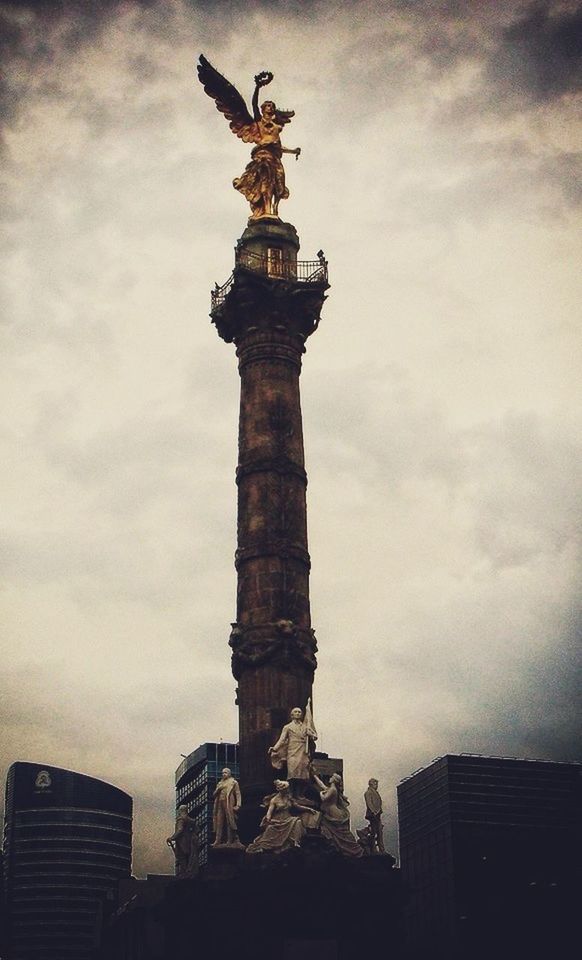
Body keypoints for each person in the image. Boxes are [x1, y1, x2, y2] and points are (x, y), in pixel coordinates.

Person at [246, 780, 309, 854]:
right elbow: (268, 814)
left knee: (298, 822)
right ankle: (272, 845)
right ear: (282, 790)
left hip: (288, 819)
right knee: (270, 828)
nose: (288, 790)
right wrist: (272, 820)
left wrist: (309, 809)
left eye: (288, 789)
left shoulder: (288, 797)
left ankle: (294, 842)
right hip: (278, 820)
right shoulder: (274, 800)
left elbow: (297, 806)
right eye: (286, 789)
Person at [311, 769, 363, 858]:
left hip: (334, 814)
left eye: (332, 777)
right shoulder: (331, 788)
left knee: (341, 833)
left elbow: (323, 798)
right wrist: (314, 776)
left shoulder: (333, 789)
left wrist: (320, 793)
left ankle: (354, 849)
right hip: (330, 812)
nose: (330, 778)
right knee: (334, 831)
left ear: (334, 780)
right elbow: (322, 785)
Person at [268, 702, 317, 789]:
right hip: (293, 752)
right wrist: (275, 748)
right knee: (293, 773)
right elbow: (282, 739)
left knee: (303, 775)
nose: (298, 713)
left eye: (299, 712)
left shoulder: (305, 727)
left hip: (303, 752)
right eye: (296, 712)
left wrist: (312, 735)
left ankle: (299, 795)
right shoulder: (287, 727)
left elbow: (314, 736)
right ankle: (291, 794)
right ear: (292, 715)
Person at [212, 767, 243, 848]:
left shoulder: (234, 782)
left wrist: (238, 805)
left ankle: (230, 840)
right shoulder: (220, 783)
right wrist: (218, 789)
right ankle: (217, 840)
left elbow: (238, 793)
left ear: (229, 773)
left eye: (225, 773)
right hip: (220, 804)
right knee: (219, 822)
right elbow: (214, 795)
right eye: (222, 773)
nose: (223, 774)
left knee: (230, 821)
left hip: (229, 803)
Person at [166, 805, 199, 878]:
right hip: (191, 844)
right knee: (189, 859)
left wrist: (172, 838)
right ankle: (189, 873)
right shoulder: (192, 820)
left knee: (182, 859)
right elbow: (197, 830)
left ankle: (184, 874)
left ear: (180, 811)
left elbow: (180, 830)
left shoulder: (181, 819)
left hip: (182, 843)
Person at [364, 777, 385, 854]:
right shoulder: (368, 792)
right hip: (373, 815)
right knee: (374, 832)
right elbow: (369, 803)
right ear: (371, 784)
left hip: (378, 813)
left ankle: (381, 849)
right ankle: (373, 849)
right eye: (375, 783)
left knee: (379, 831)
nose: (377, 785)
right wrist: (374, 811)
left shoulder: (376, 793)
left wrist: (379, 810)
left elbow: (379, 802)